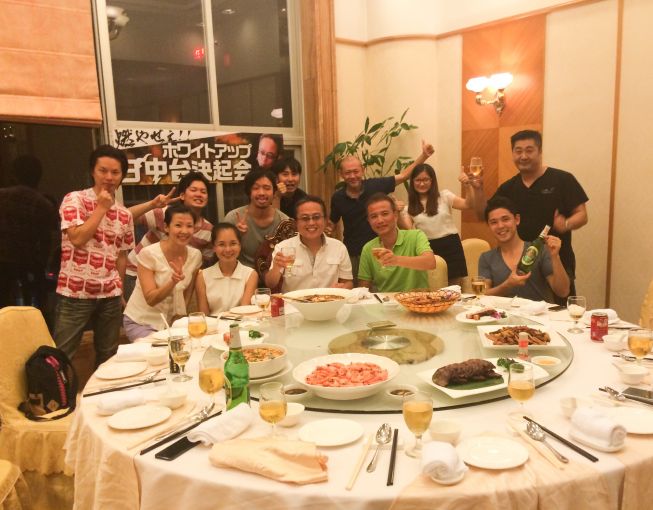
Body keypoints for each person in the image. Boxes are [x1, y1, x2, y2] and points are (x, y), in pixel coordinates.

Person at [471, 130, 588, 297]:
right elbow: (483, 214)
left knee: (561, 305)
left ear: (540, 152)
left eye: (529, 150)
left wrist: (566, 224)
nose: (523, 156)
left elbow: (582, 214)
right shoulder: (508, 188)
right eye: (518, 151)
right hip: (520, 262)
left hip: (555, 259)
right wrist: (478, 189)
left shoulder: (562, 179)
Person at [54, 145, 135, 365]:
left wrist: (119, 290)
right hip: (74, 292)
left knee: (108, 356)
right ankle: (61, 390)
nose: (109, 177)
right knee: (62, 356)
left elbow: (121, 256)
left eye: (115, 172)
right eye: (103, 170)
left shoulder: (125, 214)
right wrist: (101, 208)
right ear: (92, 171)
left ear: (122, 176)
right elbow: (77, 238)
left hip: (109, 294)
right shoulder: (74, 199)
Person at [328, 141, 434, 283]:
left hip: (381, 250)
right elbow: (332, 224)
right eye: (348, 173)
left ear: (363, 170)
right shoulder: (337, 197)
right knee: (359, 290)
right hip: (353, 253)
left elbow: (403, 176)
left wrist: (424, 155)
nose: (352, 176)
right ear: (341, 174)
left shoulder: (376, 185)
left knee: (383, 286)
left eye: (356, 171)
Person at [124, 171, 214, 300]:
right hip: (135, 273)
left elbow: (199, 268)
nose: (199, 194)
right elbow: (123, 218)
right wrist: (152, 205)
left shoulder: (208, 230)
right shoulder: (164, 213)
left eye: (203, 192)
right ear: (182, 195)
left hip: (168, 280)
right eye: (193, 190)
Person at [123, 204, 202, 340]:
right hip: (142, 322)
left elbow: (188, 291)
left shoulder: (196, 255)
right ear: (166, 227)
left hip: (170, 325)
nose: (184, 231)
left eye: (189, 226)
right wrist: (172, 281)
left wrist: (180, 317)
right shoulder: (148, 254)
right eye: (178, 225)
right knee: (161, 350)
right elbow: (151, 299)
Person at [398, 163, 480, 286]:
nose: (422, 183)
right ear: (412, 182)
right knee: (433, 287)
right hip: (428, 249)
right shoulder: (409, 208)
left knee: (454, 289)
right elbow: (408, 230)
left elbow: (469, 205)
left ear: (432, 181)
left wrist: (467, 185)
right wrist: (397, 212)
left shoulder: (445, 196)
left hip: (451, 245)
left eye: (426, 179)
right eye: (418, 180)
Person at [479, 196, 570, 302]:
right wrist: (507, 285)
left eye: (505, 219)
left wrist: (555, 256)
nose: (500, 226)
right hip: (503, 312)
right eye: (494, 222)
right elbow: (482, 295)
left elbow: (563, 292)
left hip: (539, 312)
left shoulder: (539, 250)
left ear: (517, 219)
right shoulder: (486, 258)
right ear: (489, 226)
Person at [0, 155, 58, 309]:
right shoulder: (44, 203)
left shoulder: (2, 196)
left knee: (5, 308)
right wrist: (43, 266)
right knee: (35, 308)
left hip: (3, 262)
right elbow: (48, 241)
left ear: (14, 174)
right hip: (30, 263)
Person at [266, 196, 353, 292]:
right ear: (296, 223)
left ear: (325, 220)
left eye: (316, 217)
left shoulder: (339, 247)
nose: (311, 223)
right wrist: (276, 267)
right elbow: (270, 284)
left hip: (329, 300)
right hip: (294, 301)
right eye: (305, 218)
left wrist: (342, 288)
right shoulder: (283, 247)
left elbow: (348, 282)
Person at [358, 193, 436, 292]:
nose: (380, 220)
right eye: (374, 216)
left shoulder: (415, 236)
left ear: (395, 215)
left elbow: (430, 262)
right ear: (369, 221)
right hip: (385, 300)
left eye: (385, 214)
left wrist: (395, 260)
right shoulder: (368, 248)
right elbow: (363, 288)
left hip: (417, 299)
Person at [224, 169, 289, 268]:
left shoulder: (284, 221)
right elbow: (223, 254)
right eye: (256, 188)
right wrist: (236, 236)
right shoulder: (233, 218)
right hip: (241, 275)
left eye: (267, 188)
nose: (261, 193)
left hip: (274, 275)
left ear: (274, 192)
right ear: (249, 192)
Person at [195, 223, 258, 315]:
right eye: (221, 244)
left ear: (240, 245)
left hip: (241, 322)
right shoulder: (203, 277)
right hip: (212, 323)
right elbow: (203, 315)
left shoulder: (250, 274)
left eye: (233, 243)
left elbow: (244, 312)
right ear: (214, 247)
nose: (228, 249)